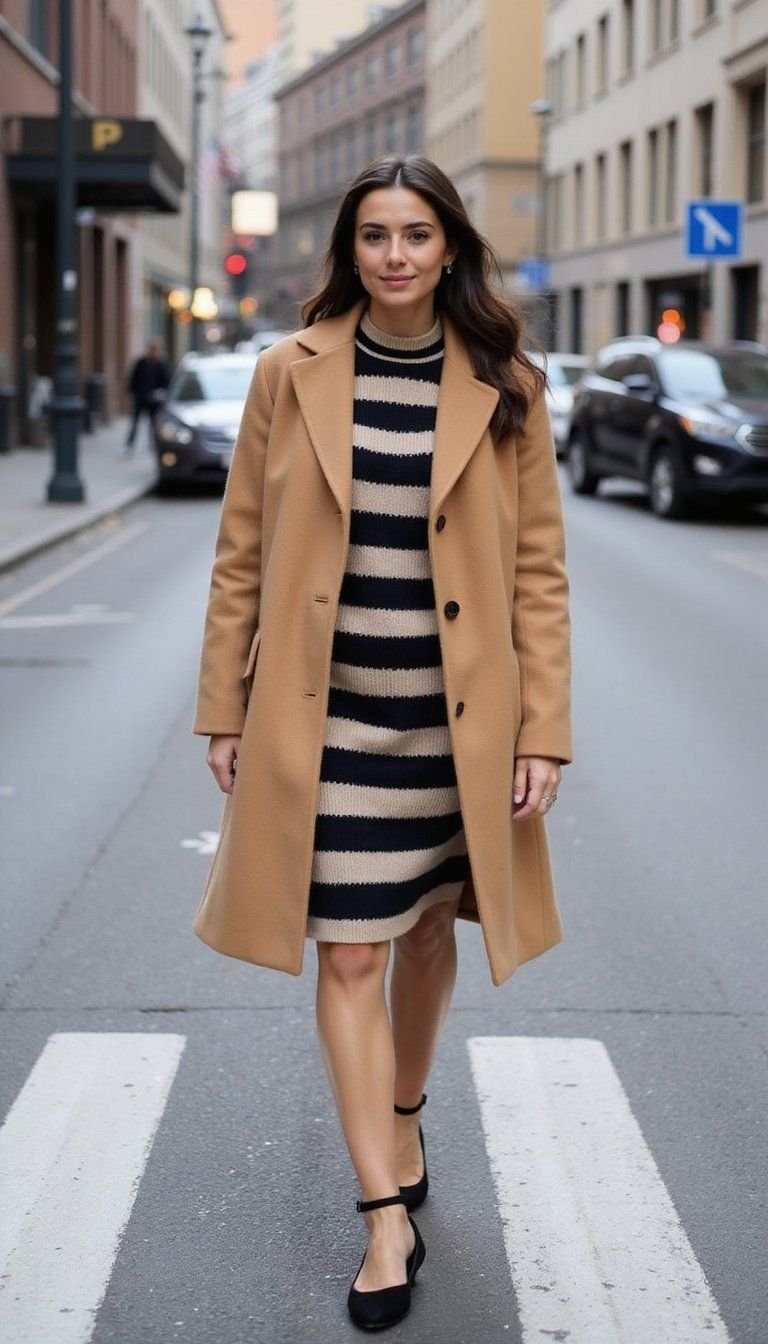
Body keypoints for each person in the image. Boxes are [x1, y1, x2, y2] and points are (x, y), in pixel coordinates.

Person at [192, 155, 572, 1331]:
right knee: (346, 954)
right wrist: (223, 707)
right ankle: (381, 1216)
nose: (395, 256)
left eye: (416, 235)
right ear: (349, 251)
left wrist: (544, 729)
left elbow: (539, 573)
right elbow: (241, 555)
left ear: (449, 247)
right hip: (331, 718)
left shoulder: (508, 381)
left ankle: (404, 1111)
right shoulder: (287, 374)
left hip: (460, 729)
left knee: (420, 936)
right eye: (374, 237)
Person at [125, 340, 170, 451]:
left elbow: (166, 382)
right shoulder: (141, 362)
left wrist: (161, 393)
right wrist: (132, 393)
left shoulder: (161, 364)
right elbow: (133, 379)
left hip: (154, 400)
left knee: (153, 425)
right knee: (135, 423)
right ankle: (130, 445)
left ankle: (153, 446)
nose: (154, 352)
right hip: (140, 398)